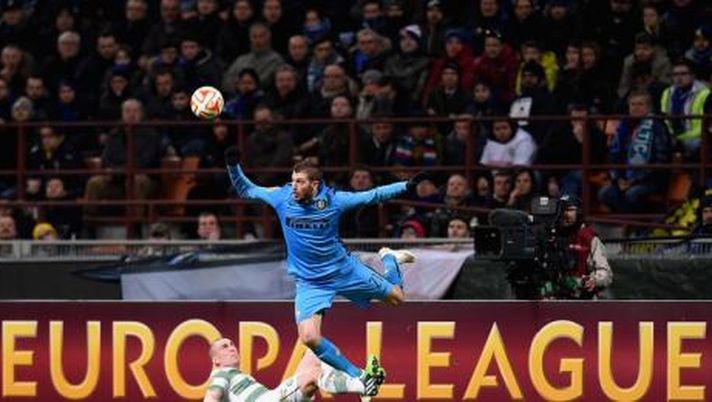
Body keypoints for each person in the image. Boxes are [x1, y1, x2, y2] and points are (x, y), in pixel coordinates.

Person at [225, 148, 428, 396]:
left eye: (300, 182)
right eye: (293, 181)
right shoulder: (282, 197)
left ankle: (390, 259)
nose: (294, 187)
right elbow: (246, 189)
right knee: (309, 337)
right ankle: (359, 376)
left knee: (397, 298)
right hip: (310, 282)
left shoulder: (334, 201)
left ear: (315, 184)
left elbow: (372, 195)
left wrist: (406, 186)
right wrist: (233, 165)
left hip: (344, 271)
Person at [204, 337, 371, 402]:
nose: (232, 348)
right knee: (312, 375)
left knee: (316, 351)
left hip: (272, 397)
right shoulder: (221, 375)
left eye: (232, 344)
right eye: (224, 347)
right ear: (216, 360)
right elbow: (211, 397)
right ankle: (362, 385)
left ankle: (357, 380)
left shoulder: (235, 376)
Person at [550, 195, 613, 299]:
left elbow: (605, 273)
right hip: (554, 298)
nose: (564, 214)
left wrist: (594, 280)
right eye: (561, 210)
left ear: (579, 212)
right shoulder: (550, 236)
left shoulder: (588, 238)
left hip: (583, 298)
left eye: (569, 210)